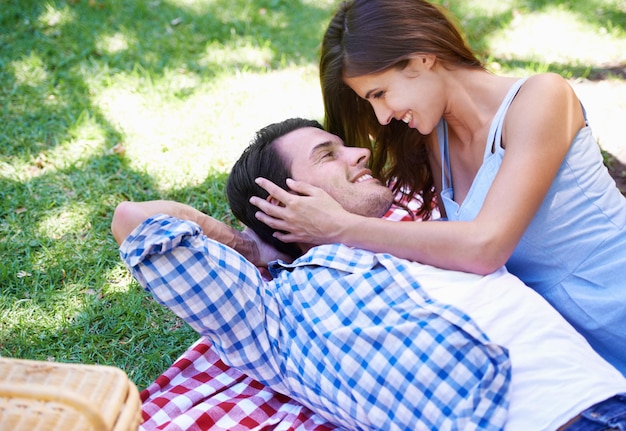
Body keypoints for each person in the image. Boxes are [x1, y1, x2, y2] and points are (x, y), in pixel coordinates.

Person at [112, 118, 626, 431]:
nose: (359, 154)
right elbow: (133, 220)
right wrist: (256, 248)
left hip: (609, 398)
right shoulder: (273, 314)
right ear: (280, 202)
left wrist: (344, 225)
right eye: (328, 155)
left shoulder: (430, 229)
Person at [249, 0, 626, 376]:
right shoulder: (434, 138)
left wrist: (341, 228)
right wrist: (272, 240)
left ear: (421, 59)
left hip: (614, 301)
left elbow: (485, 246)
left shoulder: (542, 98)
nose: (381, 116)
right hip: (566, 345)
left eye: (380, 93)